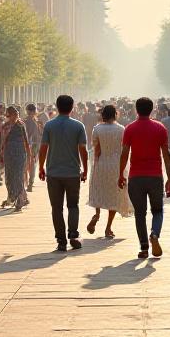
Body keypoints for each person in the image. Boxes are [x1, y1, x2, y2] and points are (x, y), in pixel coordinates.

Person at [119, 97, 170, 259]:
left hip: (136, 176)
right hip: (155, 176)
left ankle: (143, 247)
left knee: (140, 213)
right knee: (157, 211)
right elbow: (166, 154)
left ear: (137, 109)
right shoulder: (160, 128)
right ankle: (155, 234)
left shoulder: (130, 128)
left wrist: (120, 173)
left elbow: (124, 153)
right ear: (152, 110)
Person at [38, 95, 89, 252]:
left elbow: (43, 148)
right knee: (73, 205)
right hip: (72, 172)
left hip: (53, 173)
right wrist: (85, 169)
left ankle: (61, 240)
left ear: (57, 106)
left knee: (56, 207)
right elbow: (83, 150)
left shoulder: (49, 126)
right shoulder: (78, 126)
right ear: (72, 107)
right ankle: (73, 234)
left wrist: (41, 167)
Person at [86, 104, 133, 238]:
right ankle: (108, 228)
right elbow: (124, 149)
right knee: (114, 194)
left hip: (102, 163)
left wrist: (95, 165)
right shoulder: (121, 129)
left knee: (99, 190)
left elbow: (97, 149)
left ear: (103, 115)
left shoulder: (97, 129)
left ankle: (97, 214)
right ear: (115, 114)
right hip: (116, 164)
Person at [1, 106, 31, 211]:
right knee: (9, 177)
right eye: (14, 114)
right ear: (9, 115)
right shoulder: (5, 126)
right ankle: (12, 197)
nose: (16, 116)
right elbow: (2, 142)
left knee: (18, 176)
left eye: (17, 114)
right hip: (8, 154)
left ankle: (20, 200)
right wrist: (0, 154)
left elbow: (26, 141)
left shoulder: (21, 125)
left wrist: (29, 155)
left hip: (20, 154)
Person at [25, 103, 43, 192]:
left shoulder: (25, 121)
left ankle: (28, 183)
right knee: (32, 164)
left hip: (28, 145)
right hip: (34, 145)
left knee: (27, 164)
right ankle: (30, 183)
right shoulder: (35, 121)